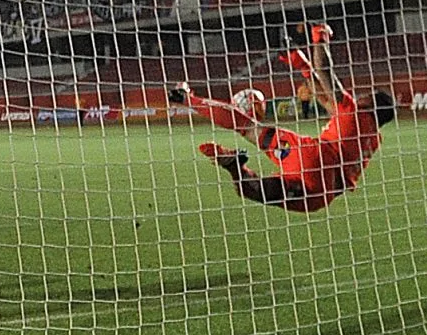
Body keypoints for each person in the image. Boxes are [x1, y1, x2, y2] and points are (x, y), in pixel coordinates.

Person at [169, 25, 397, 213]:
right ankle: (235, 168)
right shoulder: (371, 136)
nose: (361, 95)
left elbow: (324, 69)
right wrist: (299, 63)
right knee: (258, 191)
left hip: (312, 157)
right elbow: (322, 95)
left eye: (367, 95)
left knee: (248, 128)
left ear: (371, 103)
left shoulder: (353, 111)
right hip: (322, 193)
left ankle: (188, 99)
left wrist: (321, 37)